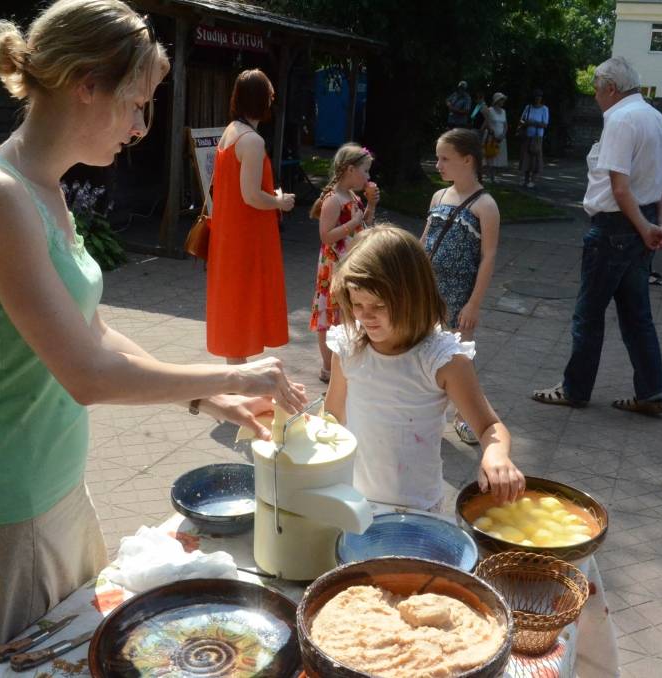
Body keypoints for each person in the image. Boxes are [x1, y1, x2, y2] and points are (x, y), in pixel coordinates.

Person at [0, 3, 309, 676]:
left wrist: (208, 404)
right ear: (86, 82)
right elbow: (87, 375)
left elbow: (92, 330)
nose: (139, 127)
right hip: (1, 514)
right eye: (137, 104)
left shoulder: (45, 189)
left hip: (58, 492)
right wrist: (233, 377)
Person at [324, 226, 525, 510]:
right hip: (353, 499)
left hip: (416, 507)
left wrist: (496, 455)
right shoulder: (347, 347)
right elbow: (332, 416)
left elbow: (489, 426)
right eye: (357, 304)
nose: (365, 316)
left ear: (412, 297)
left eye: (379, 305)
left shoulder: (441, 360)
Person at [532, 56, 662, 415]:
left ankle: (575, 388)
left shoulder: (622, 120)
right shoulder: (658, 120)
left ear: (611, 88)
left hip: (615, 227)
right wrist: (657, 226)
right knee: (636, 314)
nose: (594, 96)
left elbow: (619, 187)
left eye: (596, 89)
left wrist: (645, 228)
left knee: (589, 313)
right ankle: (653, 391)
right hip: (642, 223)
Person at [206, 69, 296, 364]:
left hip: (230, 233)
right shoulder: (252, 141)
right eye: (270, 95)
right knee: (243, 305)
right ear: (262, 100)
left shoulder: (230, 131)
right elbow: (251, 196)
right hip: (245, 236)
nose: (273, 100)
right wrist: (280, 202)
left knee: (235, 308)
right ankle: (236, 387)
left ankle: (235, 380)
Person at [421, 128, 500, 444]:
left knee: (459, 358)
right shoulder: (439, 196)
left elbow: (489, 257)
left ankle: (466, 416)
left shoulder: (485, 205)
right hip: (429, 292)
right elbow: (425, 239)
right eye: (437, 157)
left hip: (459, 297)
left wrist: (474, 303)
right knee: (424, 351)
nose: (438, 164)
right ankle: (427, 411)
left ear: (467, 160)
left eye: (445, 158)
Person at [308, 143, 378, 383]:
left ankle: (345, 362)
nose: (368, 176)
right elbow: (326, 235)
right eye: (365, 171)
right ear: (350, 170)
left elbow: (363, 224)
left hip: (349, 262)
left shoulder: (351, 196)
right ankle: (328, 367)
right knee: (329, 314)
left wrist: (370, 204)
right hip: (333, 266)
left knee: (346, 313)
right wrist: (352, 223)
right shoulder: (333, 200)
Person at [519, 89, 549, 188]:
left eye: (539, 96)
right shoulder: (528, 107)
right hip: (528, 135)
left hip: (537, 137)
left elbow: (545, 124)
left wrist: (533, 123)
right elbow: (522, 120)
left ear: (542, 98)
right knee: (526, 158)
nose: (537, 98)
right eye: (536, 96)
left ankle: (533, 180)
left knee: (536, 158)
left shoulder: (544, 109)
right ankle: (526, 179)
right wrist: (526, 123)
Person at [483, 92, 509, 183]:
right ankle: (489, 176)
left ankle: (493, 177)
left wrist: (503, 135)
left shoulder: (504, 111)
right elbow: (487, 123)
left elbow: (505, 125)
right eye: (501, 99)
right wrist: (492, 133)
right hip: (491, 136)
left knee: (497, 157)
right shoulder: (490, 110)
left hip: (500, 137)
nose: (503, 101)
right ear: (497, 100)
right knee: (490, 156)